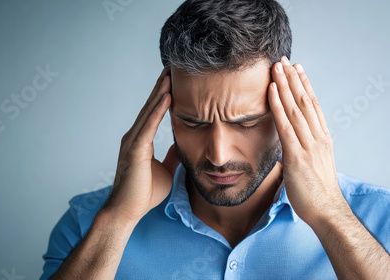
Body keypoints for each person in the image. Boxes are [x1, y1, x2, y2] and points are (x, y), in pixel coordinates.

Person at [40, 0, 390, 279]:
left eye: (247, 123)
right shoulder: (89, 224)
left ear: (287, 105)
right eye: (192, 123)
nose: (219, 155)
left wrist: (330, 214)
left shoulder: (380, 219)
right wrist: (117, 221)